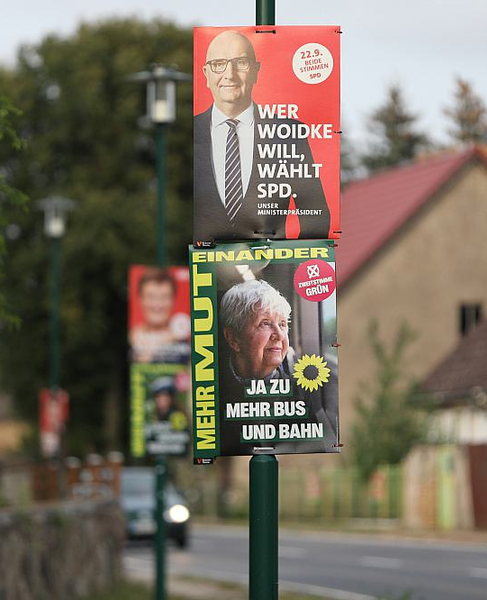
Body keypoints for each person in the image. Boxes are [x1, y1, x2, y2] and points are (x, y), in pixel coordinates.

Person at [193, 30, 330, 241]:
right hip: (206, 270)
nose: (230, 74)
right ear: (206, 74)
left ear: (256, 71)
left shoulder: (288, 134)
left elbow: (316, 216)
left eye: (241, 62)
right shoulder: (190, 131)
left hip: (274, 270)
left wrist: (290, 266)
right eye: (218, 64)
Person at [219, 279, 337, 454]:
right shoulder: (214, 388)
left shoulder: (313, 380)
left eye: (282, 324)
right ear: (233, 339)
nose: (280, 335)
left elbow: (326, 443)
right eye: (265, 323)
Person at [129, 268, 189, 363]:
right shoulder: (131, 338)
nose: (157, 304)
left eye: (164, 297)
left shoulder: (188, 341)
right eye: (151, 297)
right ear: (140, 299)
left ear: (173, 300)